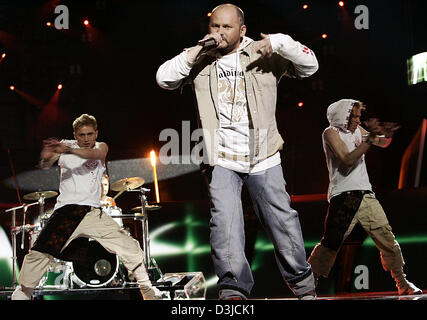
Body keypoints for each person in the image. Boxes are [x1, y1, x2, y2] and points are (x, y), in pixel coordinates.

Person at [156, 4, 319, 300]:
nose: (218, 32)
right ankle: (234, 288)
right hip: (220, 158)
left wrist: (282, 41)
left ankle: (303, 286)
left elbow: (310, 66)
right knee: (225, 225)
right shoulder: (200, 58)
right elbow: (164, 78)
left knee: (282, 222)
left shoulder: (262, 51)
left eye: (226, 27)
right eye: (214, 26)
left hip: (263, 155)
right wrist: (195, 50)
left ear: (242, 30)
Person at [11, 114, 165, 300]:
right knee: (40, 253)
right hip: (67, 211)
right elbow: (45, 164)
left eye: (90, 134)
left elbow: (96, 155)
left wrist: (65, 149)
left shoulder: (100, 146)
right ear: (75, 134)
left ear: (96, 133)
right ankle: (22, 294)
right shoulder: (65, 145)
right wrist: (47, 156)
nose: (86, 139)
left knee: (129, 246)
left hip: (93, 213)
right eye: (82, 135)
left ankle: (148, 291)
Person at [307, 99, 422, 295]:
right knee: (331, 243)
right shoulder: (330, 133)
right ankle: (308, 286)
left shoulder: (358, 131)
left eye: (360, 116)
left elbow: (382, 142)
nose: (359, 120)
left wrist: (386, 133)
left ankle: (402, 282)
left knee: (386, 237)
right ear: (344, 116)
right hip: (344, 197)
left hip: (365, 195)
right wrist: (370, 139)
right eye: (356, 116)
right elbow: (347, 159)